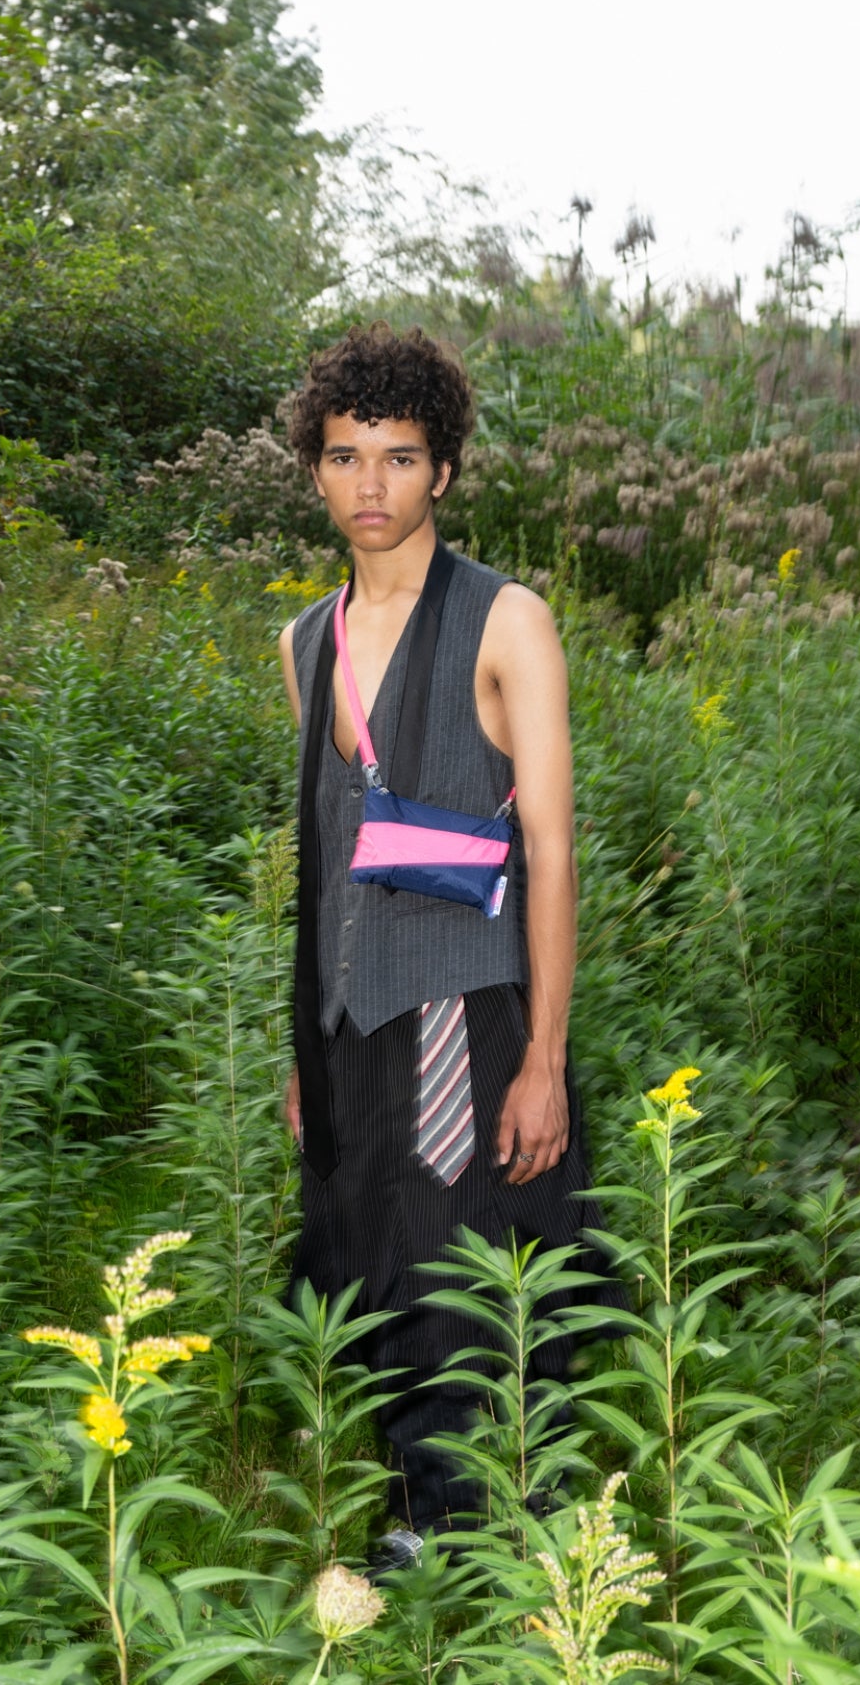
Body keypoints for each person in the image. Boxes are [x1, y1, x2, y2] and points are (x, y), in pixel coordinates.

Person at [277, 323, 615, 1568]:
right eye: (344, 455)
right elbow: (326, 854)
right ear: (314, 470)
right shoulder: (304, 642)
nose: (369, 484)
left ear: (444, 470)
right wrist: (303, 1050)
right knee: (366, 1265)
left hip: (463, 1010)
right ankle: (431, 1518)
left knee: (468, 1265)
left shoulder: (505, 620)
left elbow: (552, 849)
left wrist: (542, 1055)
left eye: (399, 456)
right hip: (346, 1018)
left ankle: (489, 1529)